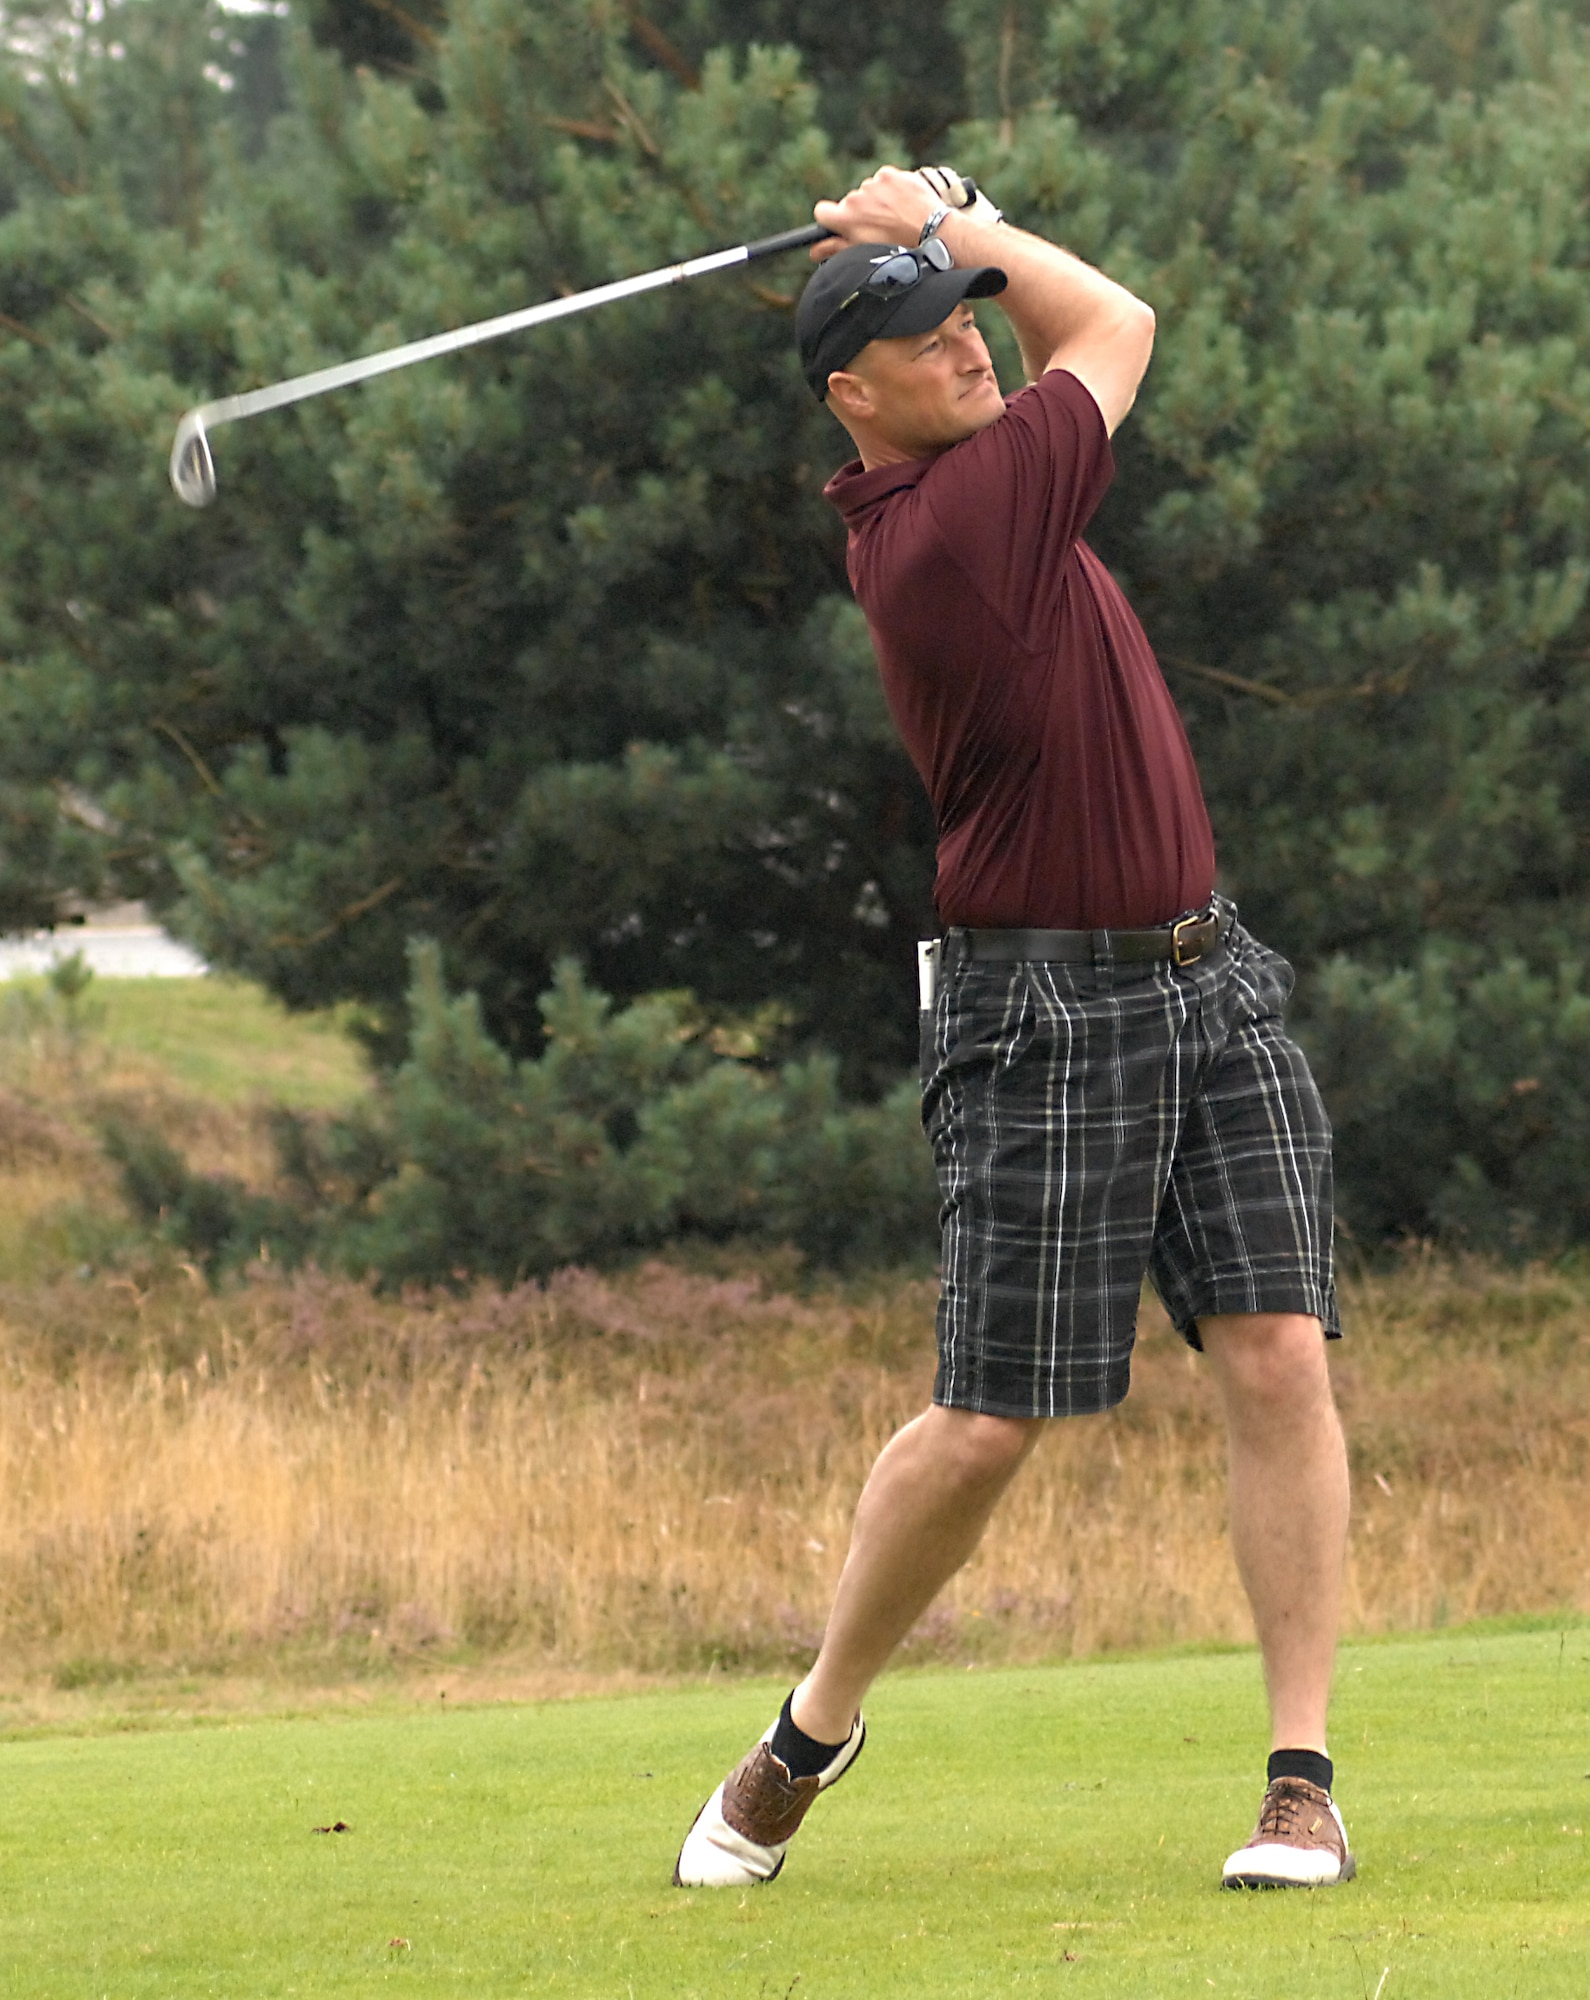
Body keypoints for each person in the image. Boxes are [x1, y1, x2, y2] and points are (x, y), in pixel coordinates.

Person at [673, 165, 1353, 1894]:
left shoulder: (986, 469)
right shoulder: (949, 538)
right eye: (919, 333)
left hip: (1209, 972)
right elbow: (1112, 321)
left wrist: (940, 247)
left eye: (960, 320)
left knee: (1277, 1352)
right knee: (990, 1421)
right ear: (852, 396)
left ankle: (1299, 1780)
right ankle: (808, 1732)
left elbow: (1054, 335)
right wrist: (953, 218)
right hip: (1041, 1006)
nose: (965, 345)